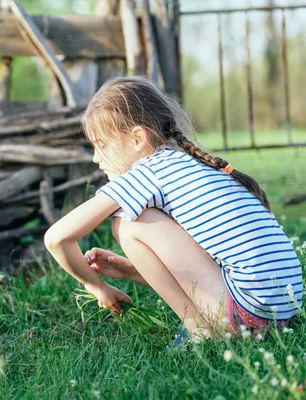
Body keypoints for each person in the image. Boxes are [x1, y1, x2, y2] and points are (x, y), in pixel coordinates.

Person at [44, 76, 303, 341]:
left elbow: (56, 239)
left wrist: (97, 287)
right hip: (287, 310)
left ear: (137, 139)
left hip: (248, 315)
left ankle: (199, 331)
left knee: (128, 223)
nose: (96, 158)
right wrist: (131, 271)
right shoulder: (192, 165)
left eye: (101, 145)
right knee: (137, 217)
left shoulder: (147, 173)